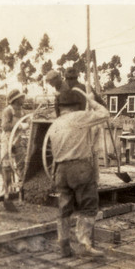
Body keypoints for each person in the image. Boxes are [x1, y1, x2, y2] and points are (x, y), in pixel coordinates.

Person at [48, 88, 110, 258]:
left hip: (60, 170)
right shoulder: (79, 117)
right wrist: (91, 101)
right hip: (80, 168)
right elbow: (105, 113)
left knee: (64, 209)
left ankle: (64, 244)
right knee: (88, 207)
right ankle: (84, 244)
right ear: (77, 105)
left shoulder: (55, 124)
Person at [0, 89, 26, 212]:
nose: (23, 99)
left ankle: (22, 192)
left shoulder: (22, 110)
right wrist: (20, 126)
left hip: (18, 139)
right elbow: (4, 126)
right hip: (7, 139)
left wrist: (26, 124)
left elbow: (26, 123)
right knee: (6, 167)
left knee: (22, 163)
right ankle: (7, 195)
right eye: (21, 97)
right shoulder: (8, 110)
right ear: (15, 100)